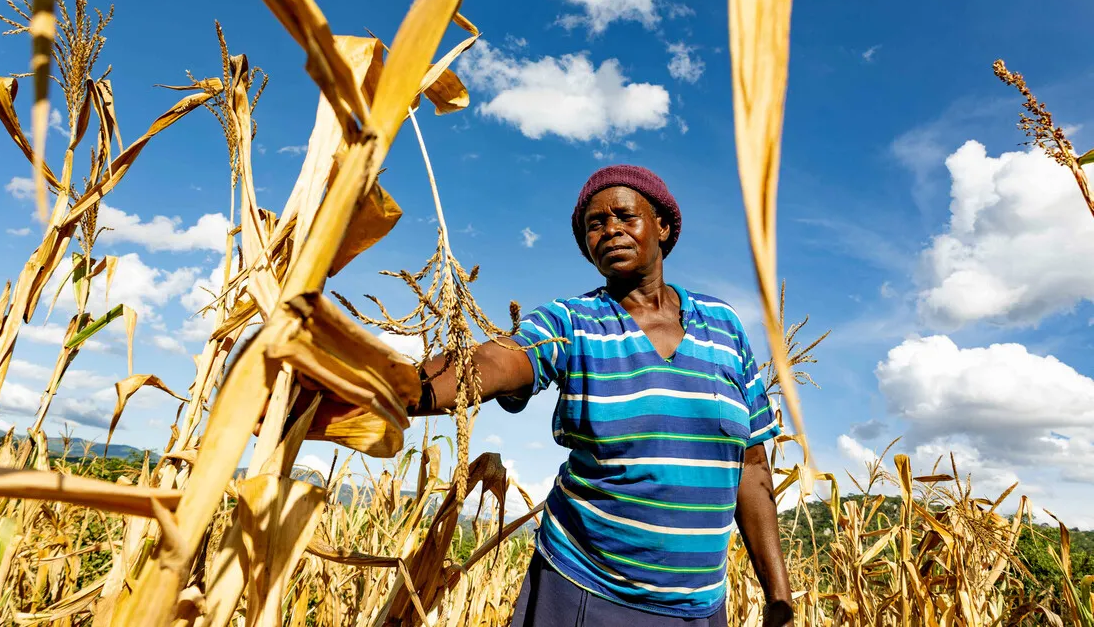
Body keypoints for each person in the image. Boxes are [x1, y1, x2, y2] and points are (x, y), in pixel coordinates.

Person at [315, 165, 794, 626]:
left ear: (663, 226)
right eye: (595, 224)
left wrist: (778, 597)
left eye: (625, 216)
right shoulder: (573, 321)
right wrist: (393, 386)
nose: (609, 230)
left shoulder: (724, 327)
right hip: (588, 592)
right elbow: (498, 359)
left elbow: (751, 468)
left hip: (700, 607)